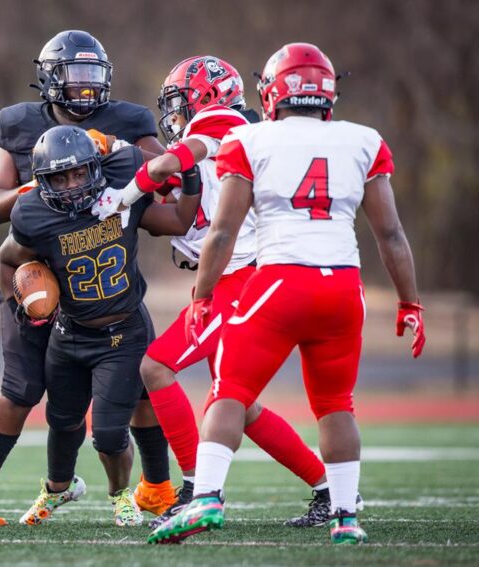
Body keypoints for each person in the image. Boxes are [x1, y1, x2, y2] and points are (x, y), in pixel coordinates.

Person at [148, 42, 425, 545]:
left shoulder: (250, 140)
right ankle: (345, 516)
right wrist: (410, 302)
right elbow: (391, 235)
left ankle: (203, 497)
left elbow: (223, 232)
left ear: (272, 92)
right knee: (336, 403)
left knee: (228, 390)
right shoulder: (365, 140)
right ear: (329, 91)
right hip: (344, 286)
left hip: (278, 281)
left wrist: (203, 294)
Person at [94, 55, 346, 529]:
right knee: (239, 404)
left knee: (156, 366)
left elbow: (177, 160)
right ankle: (327, 489)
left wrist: (120, 197)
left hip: (240, 277)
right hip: (245, 272)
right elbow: (181, 173)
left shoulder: (223, 123)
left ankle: (194, 488)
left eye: (180, 102)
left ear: (205, 97)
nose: (175, 114)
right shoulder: (226, 137)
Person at [0, 29, 174, 526]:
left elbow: (163, 175)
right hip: (44, 273)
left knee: (138, 386)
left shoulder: (127, 122)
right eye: (72, 76)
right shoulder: (19, 128)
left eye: (91, 76)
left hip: (107, 283)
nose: (83, 88)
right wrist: (49, 188)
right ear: (49, 79)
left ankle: (158, 487)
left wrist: (113, 152)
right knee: (21, 389)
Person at [0, 124, 200, 525]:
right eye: (60, 177)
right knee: (61, 420)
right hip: (69, 332)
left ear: (96, 167)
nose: (72, 185)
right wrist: (19, 304)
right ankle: (58, 488)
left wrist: (190, 174)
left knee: (108, 434)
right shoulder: (33, 213)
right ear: (42, 181)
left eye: (79, 173)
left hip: (122, 332)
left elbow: (178, 220)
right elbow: (8, 258)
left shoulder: (122, 185)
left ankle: (121, 494)